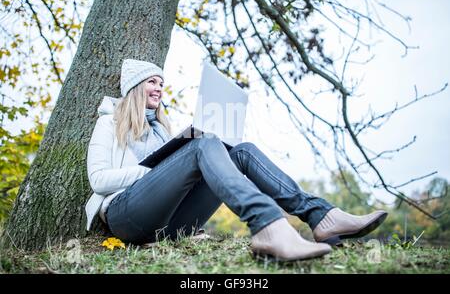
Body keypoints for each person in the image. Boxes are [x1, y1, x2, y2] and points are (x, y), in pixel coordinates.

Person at [85, 58, 388, 261]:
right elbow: (98, 180)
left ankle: (320, 215)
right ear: (136, 88)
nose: (159, 88)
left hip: (170, 225)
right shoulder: (109, 123)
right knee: (202, 143)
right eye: (152, 82)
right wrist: (150, 174)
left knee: (241, 150)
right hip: (127, 217)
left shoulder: (162, 129)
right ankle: (267, 225)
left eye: (161, 83)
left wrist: (171, 167)